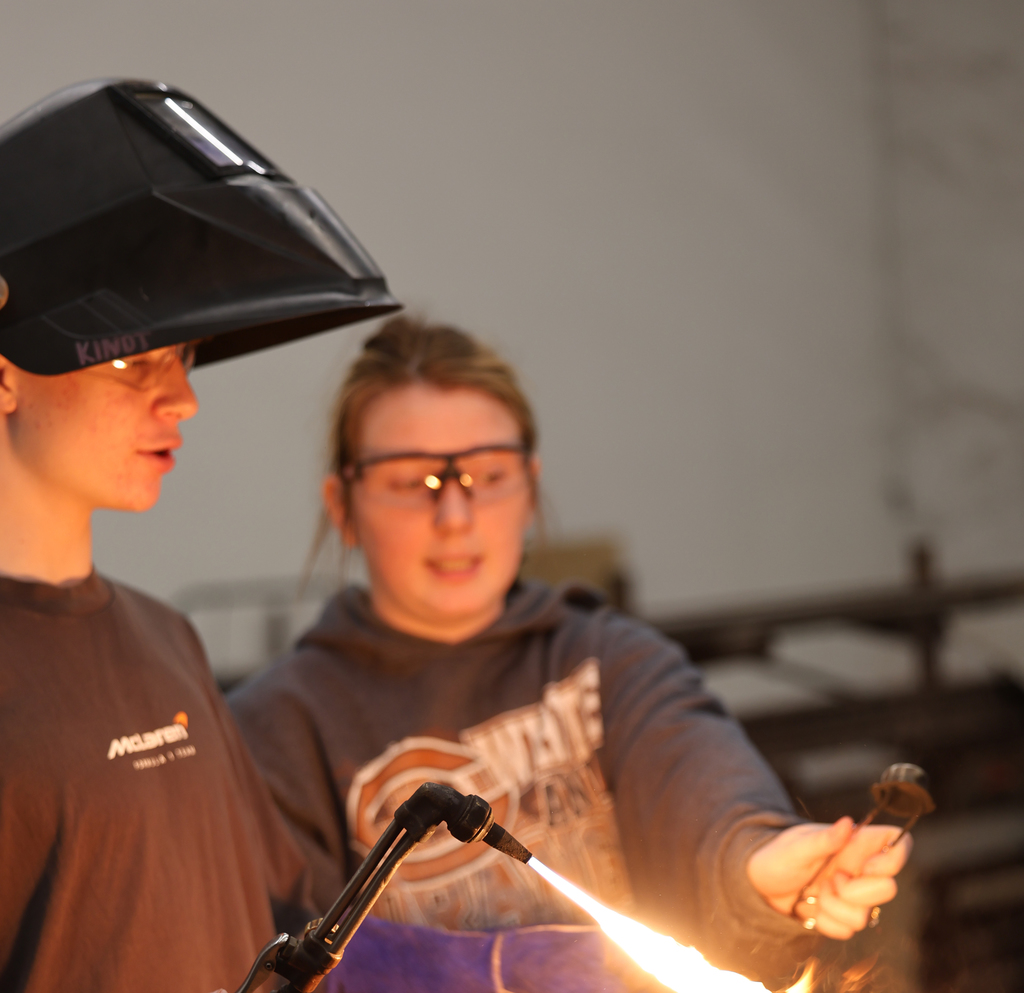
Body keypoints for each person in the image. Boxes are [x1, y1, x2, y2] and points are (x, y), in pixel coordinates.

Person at [229, 316, 911, 989]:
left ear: (530, 486)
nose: (456, 517)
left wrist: (761, 865)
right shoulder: (279, 727)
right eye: (413, 482)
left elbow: (706, 792)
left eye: (488, 474)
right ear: (342, 503)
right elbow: (277, 952)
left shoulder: (609, 661)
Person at [0, 78, 398, 992]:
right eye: (135, 359)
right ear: (6, 374)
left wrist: (491, 965)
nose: (182, 398)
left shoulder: (166, 639)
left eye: (181, 356)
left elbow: (287, 919)